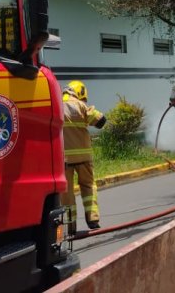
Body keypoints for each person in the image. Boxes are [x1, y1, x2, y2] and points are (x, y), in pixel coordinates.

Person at [60, 80, 106, 234]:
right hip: (84, 157)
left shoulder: (57, 104)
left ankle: (70, 225)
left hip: (64, 159)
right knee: (88, 186)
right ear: (79, 92)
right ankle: (93, 219)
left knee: (66, 193)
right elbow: (101, 121)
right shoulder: (81, 105)